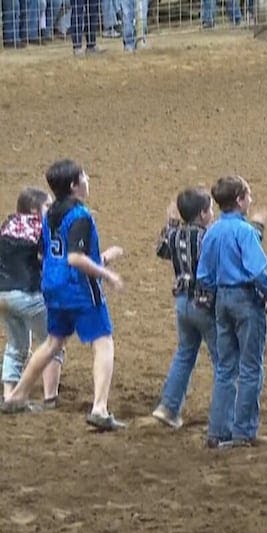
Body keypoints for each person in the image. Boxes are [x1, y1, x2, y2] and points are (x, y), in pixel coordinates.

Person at [2, 161, 124, 429]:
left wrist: (101, 258)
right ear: (73, 186)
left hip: (52, 287)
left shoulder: (49, 215)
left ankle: (17, 396)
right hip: (79, 289)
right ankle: (100, 408)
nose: (88, 180)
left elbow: (46, 253)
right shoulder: (80, 215)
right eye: (84, 177)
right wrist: (107, 274)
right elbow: (75, 258)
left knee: (53, 342)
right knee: (103, 341)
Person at [196, 175, 267, 449]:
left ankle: (218, 430)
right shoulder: (245, 232)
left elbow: (203, 275)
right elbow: (257, 271)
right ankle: (244, 431)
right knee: (251, 367)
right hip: (245, 298)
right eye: (248, 196)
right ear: (240, 200)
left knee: (225, 367)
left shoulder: (212, 231)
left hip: (221, 300)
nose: (250, 201)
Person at [151, 187, 218, 430]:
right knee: (223, 361)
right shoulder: (207, 236)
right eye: (210, 209)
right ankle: (224, 416)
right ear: (202, 214)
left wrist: (169, 223)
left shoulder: (175, 234)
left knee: (185, 353)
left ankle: (168, 407)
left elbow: (161, 250)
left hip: (182, 302)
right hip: (205, 303)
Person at [0, 187, 61, 406]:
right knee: (51, 343)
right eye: (48, 205)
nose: (51, 209)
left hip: (3, 294)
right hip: (29, 295)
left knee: (15, 346)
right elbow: (49, 260)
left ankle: (8, 394)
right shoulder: (41, 228)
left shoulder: (8, 224)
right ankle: (50, 396)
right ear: (35, 209)